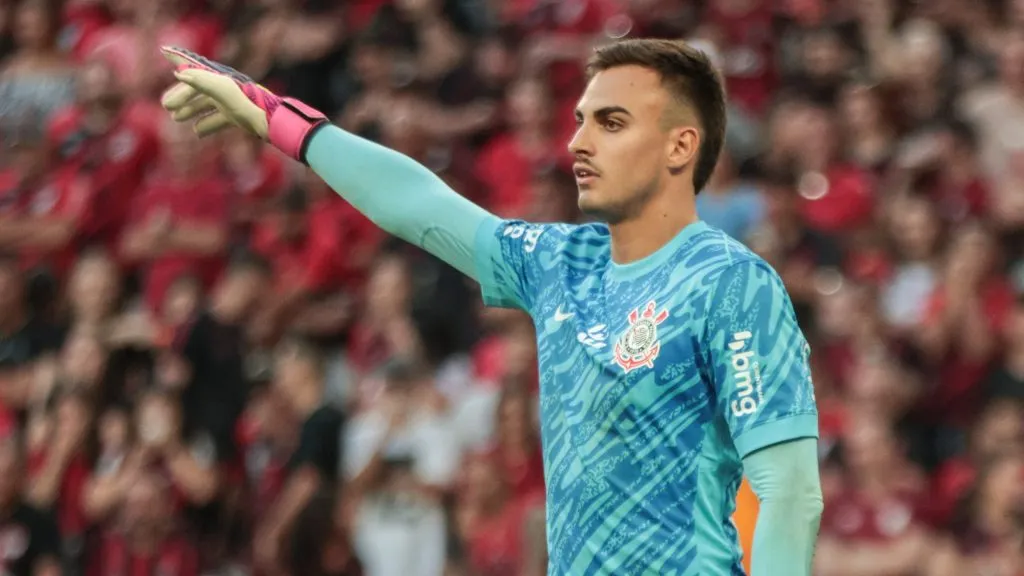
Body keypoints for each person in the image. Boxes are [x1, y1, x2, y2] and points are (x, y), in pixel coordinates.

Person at [160, 38, 823, 575]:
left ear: (681, 145)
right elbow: (417, 204)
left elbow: (789, 491)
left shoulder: (731, 284)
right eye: (580, 121)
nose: (578, 143)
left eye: (611, 122)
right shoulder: (560, 262)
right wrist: (278, 117)